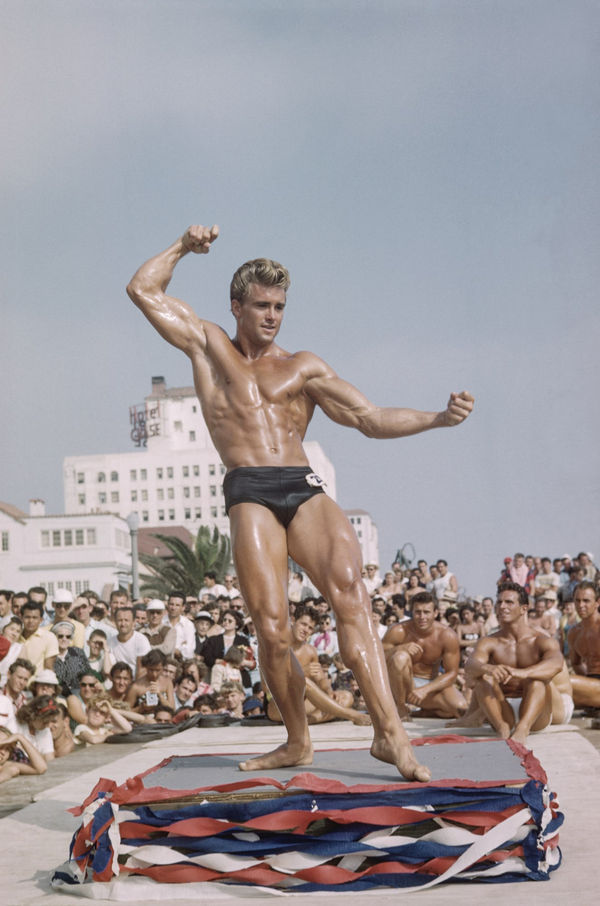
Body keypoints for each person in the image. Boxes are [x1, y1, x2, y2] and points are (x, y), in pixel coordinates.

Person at [127, 223, 474, 780]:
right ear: (236, 305)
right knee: (271, 625)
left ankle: (391, 735)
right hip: (249, 488)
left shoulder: (303, 366)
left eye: (280, 306)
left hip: (301, 483)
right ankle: (296, 740)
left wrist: (436, 418)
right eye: (261, 304)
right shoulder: (208, 343)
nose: (272, 315)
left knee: (352, 595)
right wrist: (183, 248)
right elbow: (143, 290)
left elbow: (367, 418)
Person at [464, 582, 571, 743]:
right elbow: (470, 666)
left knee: (537, 680)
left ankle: (522, 729)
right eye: (499, 602)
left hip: (536, 709)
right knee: (483, 679)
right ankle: (502, 728)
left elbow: (556, 664)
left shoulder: (540, 640)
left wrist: (523, 672)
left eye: (509, 602)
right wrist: (488, 668)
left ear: (524, 609)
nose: (502, 606)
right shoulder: (489, 642)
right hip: (502, 707)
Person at [266, 606, 371, 727]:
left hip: (302, 704)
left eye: (310, 628)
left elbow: (320, 678)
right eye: (303, 624)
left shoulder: (310, 651)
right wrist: (300, 673)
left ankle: (304, 722)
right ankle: (352, 715)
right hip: (278, 705)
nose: (306, 630)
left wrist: (329, 691)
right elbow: (267, 687)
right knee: (304, 681)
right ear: (293, 620)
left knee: (346, 697)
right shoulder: (276, 648)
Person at [382, 592, 466, 719]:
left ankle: (424, 711)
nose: (422, 617)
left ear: (436, 613)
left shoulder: (447, 635)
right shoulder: (398, 631)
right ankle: (400, 708)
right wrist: (399, 648)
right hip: (399, 685)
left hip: (427, 686)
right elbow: (377, 658)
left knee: (460, 708)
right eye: (418, 612)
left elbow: (452, 674)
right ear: (412, 612)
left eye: (426, 612)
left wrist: (425, 689)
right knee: (400, 657)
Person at [568, 582, 600, 707]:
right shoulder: (574, 632)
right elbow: (576, 663)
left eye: (586, 601)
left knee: (566, 682)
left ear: (597, 602)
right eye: (577, 601)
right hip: (591, 683)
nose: (581, 605)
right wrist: (587, 683)